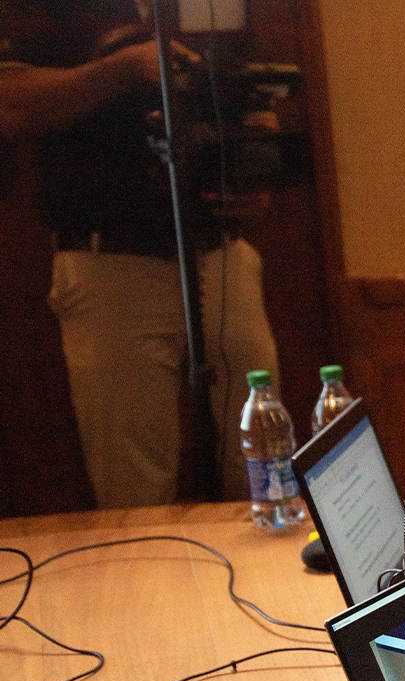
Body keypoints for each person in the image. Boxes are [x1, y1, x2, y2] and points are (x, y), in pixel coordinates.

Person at [0, 0, 280, 508]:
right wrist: (123, 70)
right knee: (135, 488)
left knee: (263, 467)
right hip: (112, 267)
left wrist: (254, 168)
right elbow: (10, 104)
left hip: (222, 258)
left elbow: (252, 99)